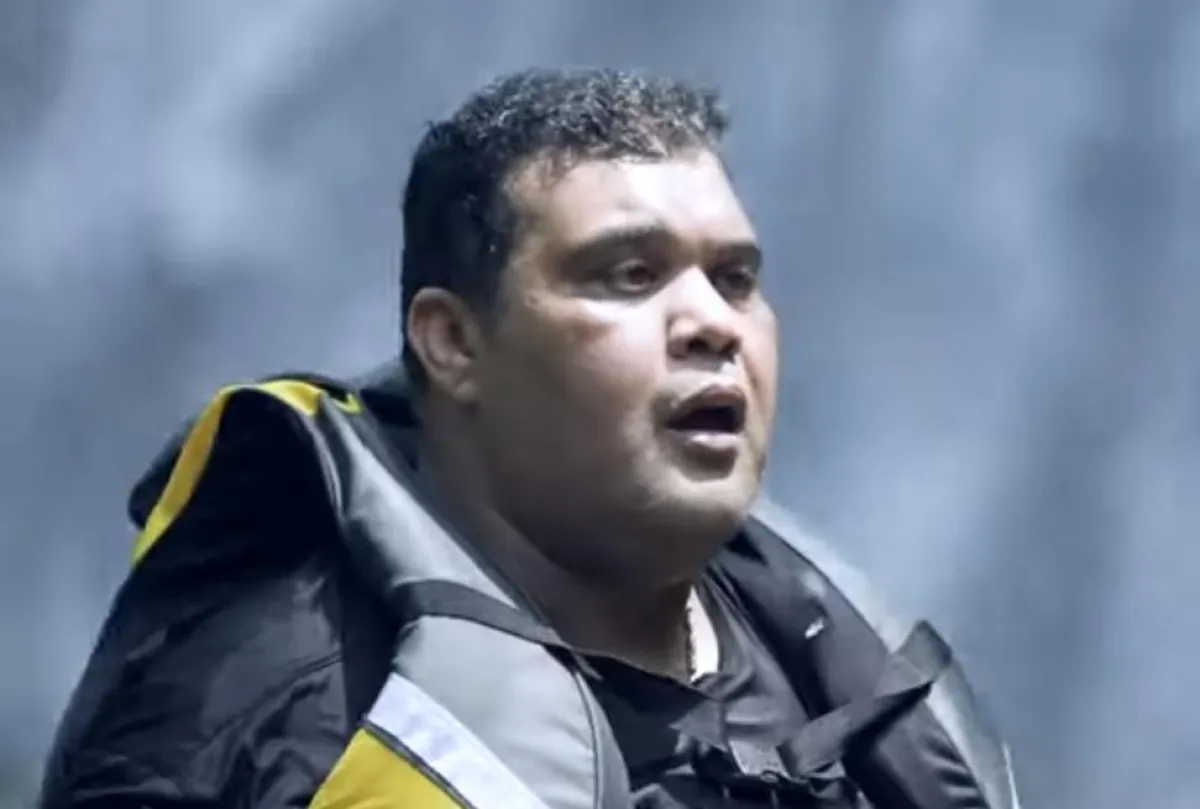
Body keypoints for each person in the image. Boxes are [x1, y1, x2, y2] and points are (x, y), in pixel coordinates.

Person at [39, 68, 1022, 808]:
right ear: (453, 342)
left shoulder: (849, 699)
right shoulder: (272, 699)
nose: (713, 322)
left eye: (734, 279)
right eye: (629, 274)